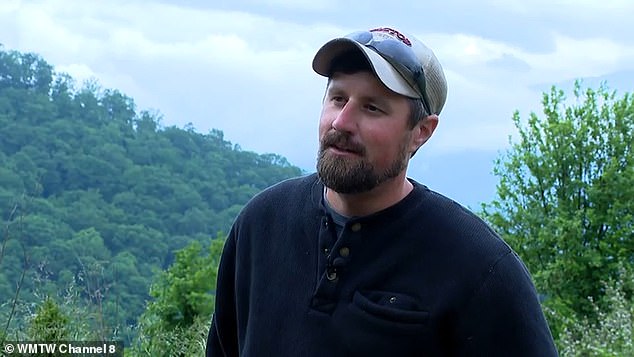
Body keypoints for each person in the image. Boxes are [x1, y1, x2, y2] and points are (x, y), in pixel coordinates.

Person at [206, 26, 558, 356]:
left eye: (372, 108)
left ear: (421, 131)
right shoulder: (262, 224)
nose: (342, 122)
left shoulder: (480, 270)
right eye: (337, 98)